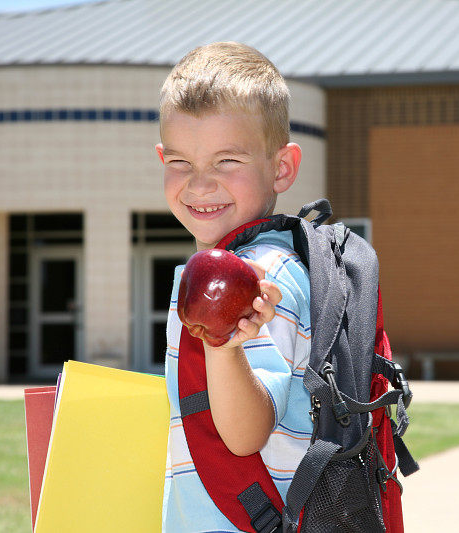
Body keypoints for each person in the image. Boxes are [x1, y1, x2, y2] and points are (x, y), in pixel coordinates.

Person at [155, 41, 313, 532]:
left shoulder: (264, 277)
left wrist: (224, 348)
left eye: (227, 161)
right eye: (180, 162)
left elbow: (245, 435)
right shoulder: (218, 271)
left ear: (281, 167)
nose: (200, 185)